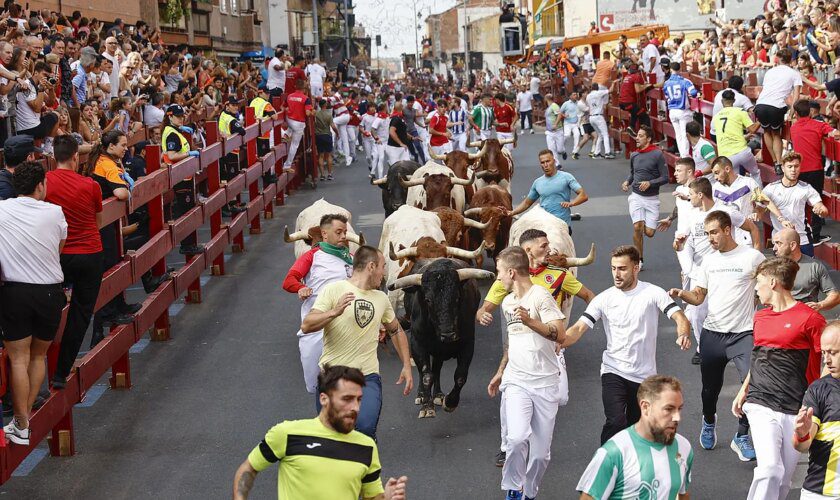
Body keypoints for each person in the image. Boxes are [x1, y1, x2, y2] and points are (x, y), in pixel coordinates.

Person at [477, 228, 595, 467]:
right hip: (519, 352)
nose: (549, 249)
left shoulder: (559, 275)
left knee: (560, 399)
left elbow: (590, 297)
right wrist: (482, 315)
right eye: (543, 245)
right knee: (509, 392)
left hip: (551, 350)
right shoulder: (508, 278)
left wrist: (579, 328)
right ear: (527, 250)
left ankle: (533, 439)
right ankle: (507, 446)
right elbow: (484, 308)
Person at [563, 245, 691, 444]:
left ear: (636, 268)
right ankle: (606, 462)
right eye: (613, 268)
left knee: (637, 427)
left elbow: (679, 317)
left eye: (622, 268)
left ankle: (632, 468)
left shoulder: (653, 293)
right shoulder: (603, 299)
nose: (616, 274)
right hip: (613, 370)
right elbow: (578, 328)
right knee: (615, 420)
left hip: (644, 377)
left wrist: (683, 334)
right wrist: (559, 341)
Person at [670, 210, 765, 462]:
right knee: (709, 390)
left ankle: (741, 436)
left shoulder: (752, 257)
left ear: (727, 230)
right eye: (707, 233)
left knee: (751, 387)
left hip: (744, 334)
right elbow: (699, 296)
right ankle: (709, 420)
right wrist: (682, 294)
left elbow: (765, 288)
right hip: (713, 335)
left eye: (714, 232)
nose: (710, 238)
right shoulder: (708, 262)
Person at [231, 365, 408, 500]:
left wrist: (386, 496)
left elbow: (372, 497)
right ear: (324, 398)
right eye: (347, 399)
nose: (355, 407)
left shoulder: (366, 446)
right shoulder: (288, 434)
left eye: (359, 400)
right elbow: (249, 468)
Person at [730, 257, 826, 500]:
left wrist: (822, 400)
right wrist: (744, 390)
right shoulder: (761, 317)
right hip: (761, 402)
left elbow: (828, 361)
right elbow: (759, 356)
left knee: (783, 480)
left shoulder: (811, 319)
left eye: (759, 282)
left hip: (797, 406)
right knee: (770, 469)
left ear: (773, 282)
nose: (755, 287)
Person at [301, 246, 413, 439]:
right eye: (383, 266)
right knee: (333, 435)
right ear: (371, 266)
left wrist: (406, 365)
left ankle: (365, 462)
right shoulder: (334, 290)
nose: (384, 273)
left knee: (365, 429)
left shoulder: (381, 298)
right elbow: (307, 326)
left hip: (367, 377)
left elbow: (396, 329)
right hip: (332, 376)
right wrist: (333, 312)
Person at [486, 247, 567, 500]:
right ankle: (513, 486)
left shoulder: (540, 296)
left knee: (541, 454)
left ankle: (529, 492)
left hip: (545, 383)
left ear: (511, 272)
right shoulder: (508, 302)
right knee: (517, 438)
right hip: (517, 380)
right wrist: (501, 371)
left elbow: (560, 334)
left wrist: (532, 322)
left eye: (499, 272)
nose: (498, 278)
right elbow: (514, 341)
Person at [0, 162, 67, 446]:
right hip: (50, 290)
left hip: (14, 290)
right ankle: (24, 417)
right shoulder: (55, 212)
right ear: (41, 185)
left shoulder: (1, 210)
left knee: (18, 359)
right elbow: (59, 248)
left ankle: (21, 423)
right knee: (38, 356)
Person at [673, 177, 761, 362]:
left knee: (734, 308)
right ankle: (702, 347)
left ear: (700, 194)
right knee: (696, 313)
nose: (689, 198)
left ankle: (742, 345)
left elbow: (752, 227)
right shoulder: (692, 215)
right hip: (701, 271)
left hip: (729, 268)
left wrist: (756, 252)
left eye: (691, 195)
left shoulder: (725, 211)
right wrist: (679, 247)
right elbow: (685, 244)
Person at [45, 135, 104, 388]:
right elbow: (98, 222)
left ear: (54, 157)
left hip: (59, 254)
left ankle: (45, 365)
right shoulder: (91, 185)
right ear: (75, 157)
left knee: (49, 307)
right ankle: (61, 372)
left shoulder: (44, 183)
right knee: (81, 313)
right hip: (89, 252)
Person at [576, 375, 694, 500]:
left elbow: (682, 494)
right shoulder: (613, 453)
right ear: (645, 407)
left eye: (679, 409)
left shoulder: (683, 447)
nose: (677, 417)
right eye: (668, 409)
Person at [282, 214, 354, 393]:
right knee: (318, 385)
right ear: (324, 234)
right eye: (339, 232)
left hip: (347, 325)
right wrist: (300, 288)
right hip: (317, 326)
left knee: (345, 385)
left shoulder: (352, 258)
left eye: (345, 232)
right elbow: (289, 280)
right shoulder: (312, 256)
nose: (344, 236)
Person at [793, 322, 840, 500]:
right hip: (821, 493)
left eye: (833, 353)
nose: (826, 360)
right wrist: (802, 433)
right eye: (824, 353)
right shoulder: (819, 389)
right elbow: (802, 445)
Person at [790, 99, 840, 246]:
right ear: (811, 112)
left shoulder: (793, 128)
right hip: (815, 168)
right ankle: (815, 235)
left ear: (797, 113)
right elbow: (835, 133)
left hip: (798, 170)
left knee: (800, 202)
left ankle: (799, 233)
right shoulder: (818, 125)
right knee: (816, 201)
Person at [761, 152, 830, 257]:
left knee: (806, 272)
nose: (793, 170)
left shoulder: (806, 188)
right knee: (783, 272)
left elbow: (821, 208)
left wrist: (821, 211)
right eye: (790, 167)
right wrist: (756, 212)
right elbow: (760, 205)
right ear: (783, 168)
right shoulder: (771, 188)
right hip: (780, 241)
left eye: (796, 166)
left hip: (802, 239)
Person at [711, 156, 789, 247]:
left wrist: (781, 218)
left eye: (717, 173)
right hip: (724, 239)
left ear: (727, 169)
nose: (715, 177)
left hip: (746, 238)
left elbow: (765, 202)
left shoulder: (748, 183)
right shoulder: (715, 188)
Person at [621, 126, 669, 268]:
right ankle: (639, 260)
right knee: (637, 227)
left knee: (649, 233)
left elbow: (665, 177)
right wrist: (627, 182)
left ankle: (643, 233)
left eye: (641, 136)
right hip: (636, 196)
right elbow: (632, 173)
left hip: (652, 199)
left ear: (648, 139)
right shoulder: (634, 155)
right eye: (637, 135)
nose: (637, 138)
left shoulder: (657, 154)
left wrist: (650, 183)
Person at [507, 149, 588, 231]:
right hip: (544, 225)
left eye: (548, 161)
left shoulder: (566, 177)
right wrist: (512, 212)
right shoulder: (537, 182)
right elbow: (527, 203)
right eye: (542, 162)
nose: (545, 165)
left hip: (562, 226)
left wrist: (571, 203)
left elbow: (583, 195)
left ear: (554, 161)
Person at [772, 228, 840, 313]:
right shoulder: (771, 267)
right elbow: (757, 295)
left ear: (792, 245)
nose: (774, 248)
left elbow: (835, 295)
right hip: (779, 319)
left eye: (779, 243)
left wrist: (820, 305)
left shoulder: (814, 266)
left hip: (806, 318)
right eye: (774, 244)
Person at [754, 48, 801, 171]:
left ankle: (775, 161)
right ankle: (779, 163)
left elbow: (766, 89)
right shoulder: (794, 73)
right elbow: (796, 96)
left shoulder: (770, 71)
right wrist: (791, 112)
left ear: (778, 59)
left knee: (766, 131)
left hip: (761, 104)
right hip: (776, 105)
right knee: (776, 134)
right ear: (790, 60)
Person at [712, 90, 763, 186]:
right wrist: (761, 120)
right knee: (755, 173)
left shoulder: (717, 117)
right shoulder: (740, 112)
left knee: (734, 182)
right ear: (734, 100)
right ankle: (760, 198)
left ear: (722, 101)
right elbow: (752, 129)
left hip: (726, 156)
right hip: (742, 151)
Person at [662, 62, 699, 158]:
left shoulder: (666, 83)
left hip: (672, 111)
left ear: (670, 69)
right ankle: (685, 156)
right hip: (683, 110)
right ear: (680, 69)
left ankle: (683, 156)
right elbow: (693, 92)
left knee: (678, 136)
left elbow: (666, 96)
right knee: (685, 134)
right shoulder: (685, 81)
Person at [283, 80, 313, 173]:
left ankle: (286, 134)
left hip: (289, 120)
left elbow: (283, 107)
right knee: (294, 145)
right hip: (299, 123)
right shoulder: (305, 98)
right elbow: (308, 113)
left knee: (291, 127)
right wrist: (313, 112)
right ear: (304, 89)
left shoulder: (289, 96)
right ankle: (287, 165)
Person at [0, 135, 42, 200]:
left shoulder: (9, 180)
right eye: (33, 155)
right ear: (29, 158)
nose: (35, 159)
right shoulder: (6, 189)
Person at [586, 83, 614, 160]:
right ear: (597, 88)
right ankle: (607, 153)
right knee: (605, 134)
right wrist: (614, 83)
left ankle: (596, 153)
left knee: (600, 135)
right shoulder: (599, 93)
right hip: (598, 116)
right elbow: (610, 90)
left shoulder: (588, 96)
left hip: (591, 117)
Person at [313, 99, 339, 181]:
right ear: (325, 105)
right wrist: (337, 133)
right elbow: (333, 126)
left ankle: (322, 175)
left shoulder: (316, 114)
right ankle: (330, 174)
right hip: (327, 135)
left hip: (318, 136)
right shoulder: (329, 114)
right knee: (328, 155)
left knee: (321, 155)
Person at [385, 103, 411, 167]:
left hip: (403, 148)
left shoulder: (400, 118)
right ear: (401, 108)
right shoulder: (396, 118)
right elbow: (392, 132)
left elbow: (400, 131)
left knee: (407, 167)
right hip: (394, 148)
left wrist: (411, 137)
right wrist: (400, 143)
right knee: (395, 168)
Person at [559, 91, 581, 160]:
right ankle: (561, 147)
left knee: (577, 135)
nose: (576, 96)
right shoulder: (566, 104)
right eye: (574, 95)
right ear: (570, 96)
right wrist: (564, 115)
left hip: (575, 123)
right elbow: (559, 111)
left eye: (576, 94)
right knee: (567, 135)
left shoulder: (578, 103)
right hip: (567, 123)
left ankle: (575, 151)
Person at [543, 94, 564, 167]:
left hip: (558, 130)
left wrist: (555, 124)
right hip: (549, 132)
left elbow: (559, 115)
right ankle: (557, 164)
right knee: (551, 149)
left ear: (546, 99)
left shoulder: (554, 105)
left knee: (559, 150)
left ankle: (563, 151)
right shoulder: (548, 108)